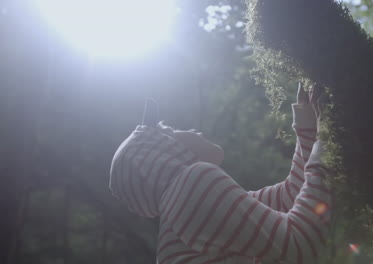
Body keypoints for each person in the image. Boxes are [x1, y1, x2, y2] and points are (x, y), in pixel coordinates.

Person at [109, 83, 333, 264]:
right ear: (162, 153)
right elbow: (302, 245)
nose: (190, 130)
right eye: (170, 131)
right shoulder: (191, 186)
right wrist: (327, 141)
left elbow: (288, 198)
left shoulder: (185, 206)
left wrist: (308, 124)